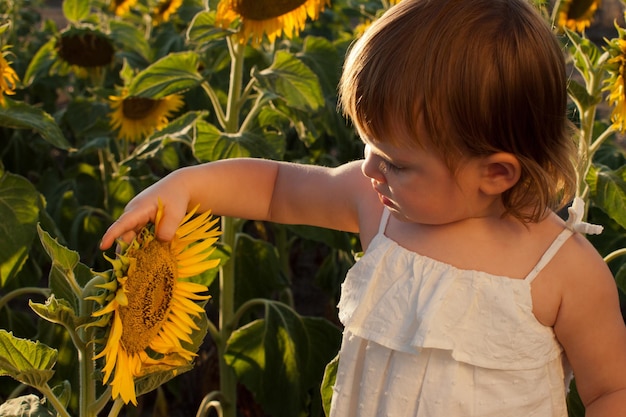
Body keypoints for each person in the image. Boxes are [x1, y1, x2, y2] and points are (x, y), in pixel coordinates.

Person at [100, 0, 626, 415]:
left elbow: (610, 390)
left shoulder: (561, 270)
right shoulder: (382, 208)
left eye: (395, 161)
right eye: (367, 145)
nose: (371, 168)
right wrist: (187, 185)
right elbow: (275, 187)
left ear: (495, 173)